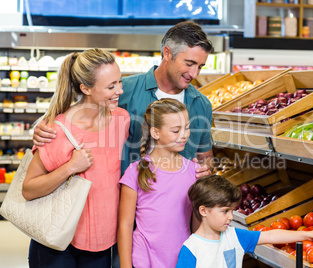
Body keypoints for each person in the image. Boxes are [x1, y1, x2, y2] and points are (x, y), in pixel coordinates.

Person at [33, 20, 214, 178]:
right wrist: (47, 128)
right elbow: (79, 118)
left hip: (176, 206)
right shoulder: (122, 90)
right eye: (189, 64)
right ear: (167, 53)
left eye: (200, 66)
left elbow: (205, 157)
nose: (195, 73)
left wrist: (206, 169)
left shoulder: (202, 104)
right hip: (127, 203)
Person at [22, 48, 130, 268]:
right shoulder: (57, 130)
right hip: (58, 241)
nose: (119, 90)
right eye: (111, 86)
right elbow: (29, 189)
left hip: (101, 241)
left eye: (119, 82)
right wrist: (71, 167)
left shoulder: (122, 120)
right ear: (86, 88)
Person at [176, 175, 313, 267]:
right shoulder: (191, 249)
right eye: (225, 211)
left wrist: (308, 235)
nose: (231, 216)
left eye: (232, 210)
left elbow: (270, 236)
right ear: (204, 211)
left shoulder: (234, 236)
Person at [118, 98, 200, 268]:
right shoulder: (135, 172)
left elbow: (198, 225)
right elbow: (125, 225)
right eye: (176, 130)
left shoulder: (194, 171)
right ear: (155, 133)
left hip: (182, 259)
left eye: (187, 128)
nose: (184, 135)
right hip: (144, 259)